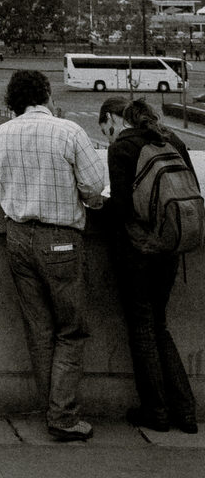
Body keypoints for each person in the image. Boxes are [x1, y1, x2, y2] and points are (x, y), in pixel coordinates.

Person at [0, 68, 106, 443]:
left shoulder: (2, 133)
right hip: (59, 240)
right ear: (46, 95)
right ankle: (62, 416)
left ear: (14, 99)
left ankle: (50, 409)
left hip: (17, 236)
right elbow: (93, 185)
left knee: (39, 331)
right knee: (71, 330)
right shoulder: (68, 131)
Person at [98, 93, 198, 434]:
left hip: (137, 251)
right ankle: (185, 411)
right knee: (160, 325)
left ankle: (156, 411)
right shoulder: (173, 139)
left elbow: (122, 209)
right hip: (170, 247)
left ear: (117, 120)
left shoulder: (122, 147)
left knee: (142, 327)